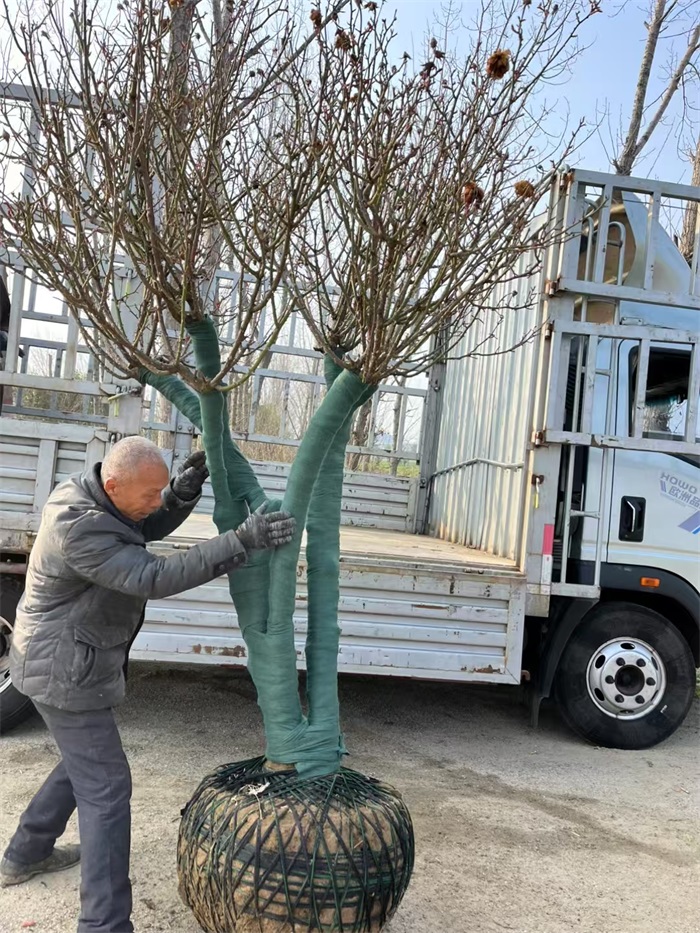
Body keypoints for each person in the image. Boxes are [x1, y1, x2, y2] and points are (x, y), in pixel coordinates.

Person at [0, 435, 295, 933]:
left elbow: (138, 525)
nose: (154, 504)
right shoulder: (79, 526)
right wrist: (242, 539)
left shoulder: (97, 496)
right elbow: (152, 576)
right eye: (150, 493)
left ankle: (24, 855)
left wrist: (179, 496)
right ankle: (104, 923)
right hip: (62, 668)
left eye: (161, 493)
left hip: (66, 659)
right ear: (113, 484)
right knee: (109, 788)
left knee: (85, 766)